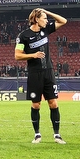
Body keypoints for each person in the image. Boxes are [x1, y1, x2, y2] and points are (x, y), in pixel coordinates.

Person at [15, 8, 68, 144]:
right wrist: (33, 55)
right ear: (37, 19)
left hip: (48, 72)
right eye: (44, 18)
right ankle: (37, 134)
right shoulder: (24, 35)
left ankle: (57, 135)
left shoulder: (46, 30)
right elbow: (17, 55)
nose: (47, 20)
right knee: (36, 105)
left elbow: (63, 20)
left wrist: (47, 12)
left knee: (53, 103)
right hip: (34, 74)